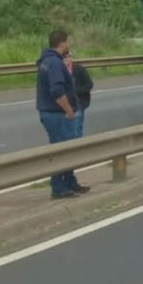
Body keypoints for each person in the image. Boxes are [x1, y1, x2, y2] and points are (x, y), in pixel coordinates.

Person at [36, 29, 90, 199]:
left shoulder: (46, 61)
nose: (69, 45)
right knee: (62, 151)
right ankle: (59, 187)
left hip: (51, 112)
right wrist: (69, 110)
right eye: (68, 42)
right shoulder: (55, 63)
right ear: (61, 43)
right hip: (56, 113)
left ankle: (69, 182)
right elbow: (57, 90)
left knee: (67, 149)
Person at [64, 52, 94, 138]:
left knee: (76, 130)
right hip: (64, 105)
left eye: (68, 56)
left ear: (71, 58)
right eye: (64, 57)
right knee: (66, 131)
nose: (66, 59)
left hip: (78, 103)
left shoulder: (79, 70)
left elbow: (89, 85)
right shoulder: (58, 71)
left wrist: (75, 91)